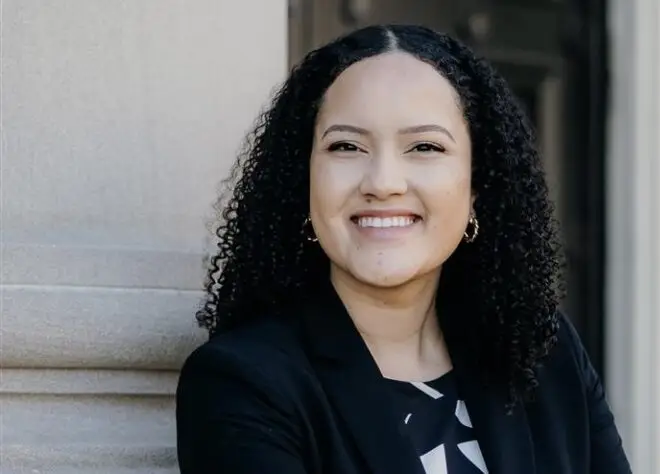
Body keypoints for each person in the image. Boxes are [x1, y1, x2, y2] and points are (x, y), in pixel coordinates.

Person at [175, 24, 632, 474]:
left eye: (425, 147)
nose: (383, 182)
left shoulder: (542, 352)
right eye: (347, 146)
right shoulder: (242, 383)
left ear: (476, 185)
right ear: (304, 180)